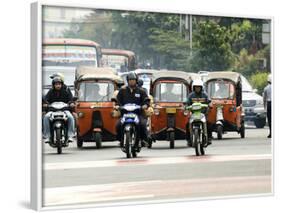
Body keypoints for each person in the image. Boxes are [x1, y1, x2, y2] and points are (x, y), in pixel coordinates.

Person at [115, 72, 150, 147]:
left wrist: (145, 105)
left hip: (138, 114)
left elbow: (147, 100)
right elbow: (117, 101)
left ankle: (143, 139)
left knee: (143, 124)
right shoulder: (122, 91)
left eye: (133, 80)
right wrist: (117, 106)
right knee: (118, 125)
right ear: (128, 81)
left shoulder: (141, 91)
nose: (132, 81)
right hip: (125, 114)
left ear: (136, 80)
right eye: (130, 80)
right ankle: (121, 140)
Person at [42, 75, 76, 143]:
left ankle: (70, 135)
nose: (58, 86)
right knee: (46, 117)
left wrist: (71, 103)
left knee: (70, 117)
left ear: (62, 84)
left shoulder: (66, 90)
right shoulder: (51, 91)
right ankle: (47, 136)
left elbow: (71, 99)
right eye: (56, 84)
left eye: (59, 84)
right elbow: (46, 99)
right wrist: (45, 103)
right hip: (52, 110)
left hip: (65, 109)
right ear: (53, 85)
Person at [186, 79, 212, 146]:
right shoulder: (190, 95)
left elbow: (209, 101)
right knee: (187, 125)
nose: (197, 88)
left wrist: (210, 105)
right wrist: (185, 107)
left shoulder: (205, 95)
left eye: (199, 87)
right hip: (194, 114)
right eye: (196, 87)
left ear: (201, 88)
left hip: (203, 114)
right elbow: (186, 103)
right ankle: (189, 140)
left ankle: (209, 138)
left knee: (209, 123)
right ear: (194, 88)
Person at [263, 74, 272, 138]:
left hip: (269, 104)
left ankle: (271, 133)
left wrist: (264, 108)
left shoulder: (266, 88)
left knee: (270, 119)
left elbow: (264, 99)